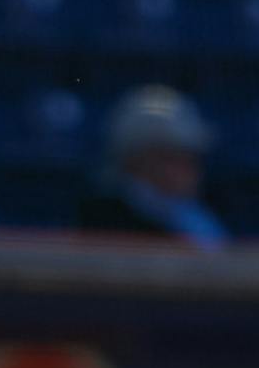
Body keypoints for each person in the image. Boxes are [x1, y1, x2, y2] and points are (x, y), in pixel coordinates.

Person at [77, 84, 227, 248]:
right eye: (172, 157)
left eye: (190, 158)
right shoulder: (107, 221)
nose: (189, 170)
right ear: (139, 161)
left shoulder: (193, 215)